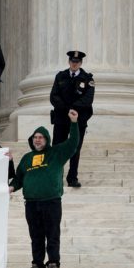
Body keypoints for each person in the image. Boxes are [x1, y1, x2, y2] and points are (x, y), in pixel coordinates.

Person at [10, 110, 80, 268]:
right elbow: (19, 178)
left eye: (41, 137)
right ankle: (37, 265)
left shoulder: (56, 153)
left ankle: (53, 263)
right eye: (35, 137)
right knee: (36, 236)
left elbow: (73, 143)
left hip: (51, 201)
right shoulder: (27, 158)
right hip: (32, 203)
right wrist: (11, 187)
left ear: (47, 139)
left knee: (52, 234)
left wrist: (74, 123)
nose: (37, 139)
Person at [49, 50, 94, 187]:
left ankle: (72, 177)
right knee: (57, 148)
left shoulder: (88, 79)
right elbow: (54, 96)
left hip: (78, 119)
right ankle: (56, 176)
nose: (74, 64)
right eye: (72, 61)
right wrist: (67, 109)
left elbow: (88, 99)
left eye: (77, 62)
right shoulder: (60, 76)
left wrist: (74, 108)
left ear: (80, 63)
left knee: (75, 148)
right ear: (69, 62)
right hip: (61, 118)